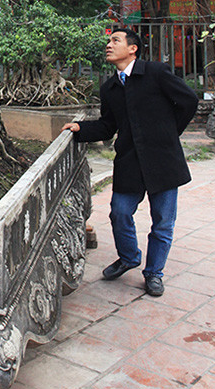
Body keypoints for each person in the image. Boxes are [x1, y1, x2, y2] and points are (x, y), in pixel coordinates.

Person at [63, 27, 198, 297]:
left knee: (162, 222)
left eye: (116, 40)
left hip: (163, 159)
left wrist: (170, 134)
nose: (109, 45)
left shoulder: (156, 73)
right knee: (120, 212)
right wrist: (80, 129)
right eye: (109, 41)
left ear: (133, 48)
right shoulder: (110, 88)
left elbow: (189, 101)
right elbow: (107, 126)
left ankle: (154, 274)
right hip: (129, 161)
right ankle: (129, 257)